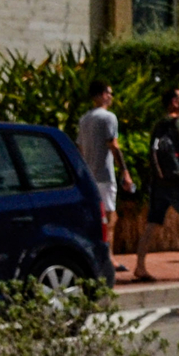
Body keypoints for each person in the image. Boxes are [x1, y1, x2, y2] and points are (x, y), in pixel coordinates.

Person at [138, 89, 179, 282]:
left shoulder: (158, 124)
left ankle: (140, 266)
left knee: (152, 223)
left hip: (159, 182)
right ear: (175, 102)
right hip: (178, 181)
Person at [73, 80, 129, 256]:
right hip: (104, 174)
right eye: (109, 93)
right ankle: (109, 256)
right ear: (102, 95)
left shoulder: (84, 119)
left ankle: (98, 253)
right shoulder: (108, 117)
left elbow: (80, 148)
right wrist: (125, 171)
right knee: (109, 216)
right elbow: (113, 145)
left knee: (95, 217)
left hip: (89, 175)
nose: (111, 97)